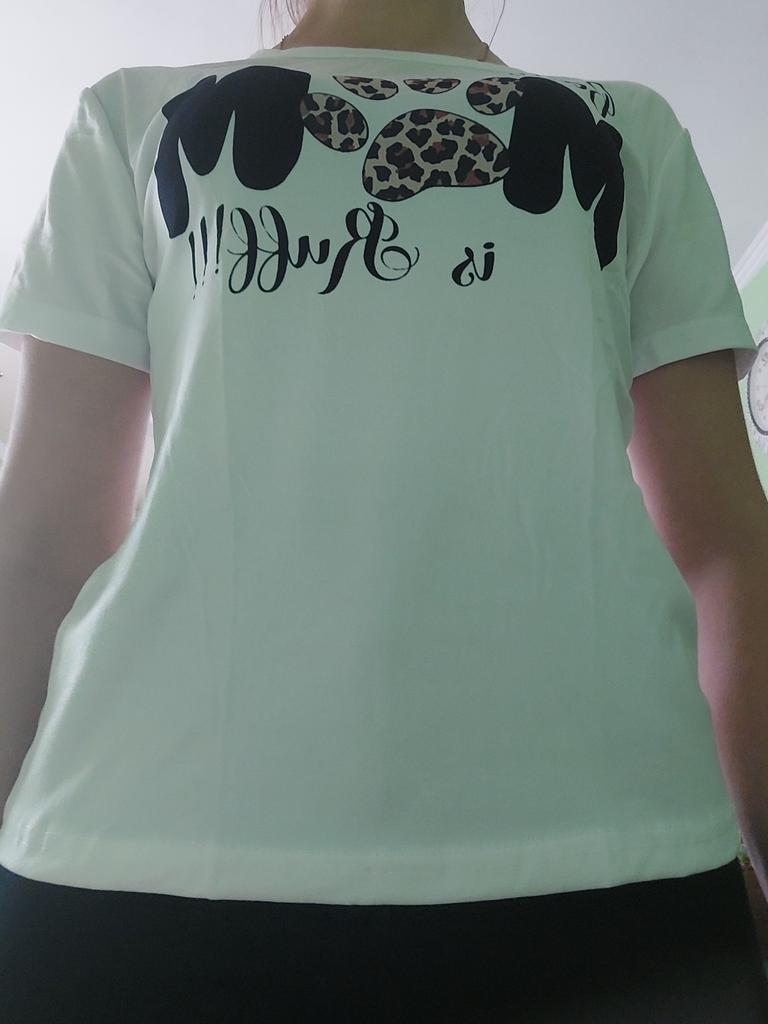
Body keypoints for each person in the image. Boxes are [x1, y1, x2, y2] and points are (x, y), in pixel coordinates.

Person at [0, 1, 766, 1020]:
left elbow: (726, 549)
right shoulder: (132, 117)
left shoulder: (626, 129)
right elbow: (42, 543)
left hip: (614, 856)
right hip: (136, 856)